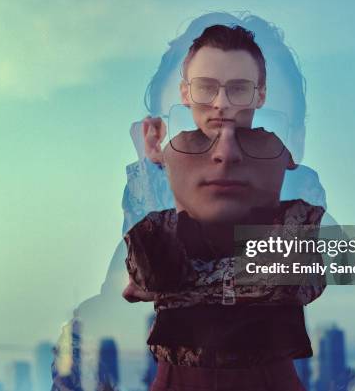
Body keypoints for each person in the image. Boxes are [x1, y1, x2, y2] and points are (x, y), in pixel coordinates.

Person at [122, 24, 324, 391]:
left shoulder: (291, 170)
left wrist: (178, 286)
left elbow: (293, 281)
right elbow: (149, 276)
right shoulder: (166, 166)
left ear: (259, 95)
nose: (221, 103)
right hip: (179, 379)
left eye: (238, 88)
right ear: (186, 92)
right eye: (206, 87)